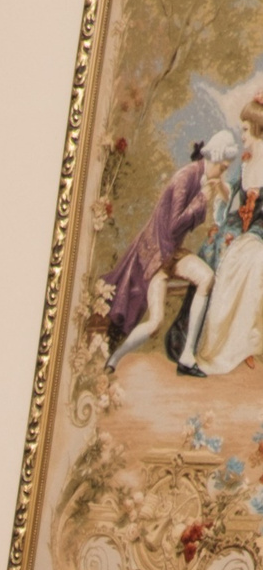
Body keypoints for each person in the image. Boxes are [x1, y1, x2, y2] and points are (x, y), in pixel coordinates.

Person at [102, 131, 236, 371]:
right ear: (214, 158)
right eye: (222, 168)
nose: (222, 173)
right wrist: (201, 200)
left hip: (172, 253)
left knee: (207, 278)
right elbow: (173, 226)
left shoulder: (204, 178)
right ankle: (114, 359)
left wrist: (219, 194)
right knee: (155, 322)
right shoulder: (185, 177)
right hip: (155, 257)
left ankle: (187, 355)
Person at [187, 99, 263, 375]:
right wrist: (218, 186)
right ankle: (219, 344)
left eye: (245, 130)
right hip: (239, 227)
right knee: (220, 250)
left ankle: (245, 343)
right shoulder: (246, 164)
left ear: (258, 128)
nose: (241, 135)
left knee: (251, 261)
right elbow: (230, 196)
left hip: (259, 231)